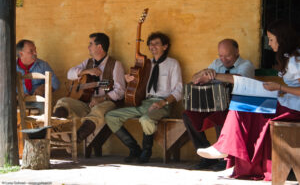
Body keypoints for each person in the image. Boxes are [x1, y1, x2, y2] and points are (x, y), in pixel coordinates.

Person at [197, 20, 300, 180]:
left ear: (282, 39)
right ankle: (228, 151)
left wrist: (279, 88)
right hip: (287, 102)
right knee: (241, 105)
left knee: (244, 107)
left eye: (272, 39)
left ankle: (226, 148)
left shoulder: (296, 60)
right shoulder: (288, 57)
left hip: (294, 108)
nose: (269, 43)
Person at [105, 32, 183, 163]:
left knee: (146, 119)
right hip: (143, 103)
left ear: (165, 46)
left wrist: (162, 103)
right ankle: (134, 149)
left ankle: (146, 151)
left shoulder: (173, 64)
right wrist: (128, 78)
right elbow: (136, 84)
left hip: (162, 104)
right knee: (111, 116)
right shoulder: (145, 64)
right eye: (150, 44)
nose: (152, 47)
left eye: (156, 43)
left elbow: (179, 90)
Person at [182, 39, 255, 171]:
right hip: (216, 104)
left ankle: (225, 158)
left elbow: (239, 79)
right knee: (188, 114)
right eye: (220, 56)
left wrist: (214, 75)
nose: (224, 59)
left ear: (237, 52)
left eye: (228, 56)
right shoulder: (216, 63)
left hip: (239, 107)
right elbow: (195, 78)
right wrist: (202, 73)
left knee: (221, 114)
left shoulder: (246, 64)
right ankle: (205, 155)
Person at [53, 33, 126, 143]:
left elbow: (120, 91)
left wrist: (101, 98)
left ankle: (74, 141)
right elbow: (70, 74)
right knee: (63, 102)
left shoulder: (116, 65)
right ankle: (55, 130)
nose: (88, 47)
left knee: (97, 111)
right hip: (86, 103)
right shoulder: (88, 62)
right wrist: (86, 71)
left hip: (106, 103)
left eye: (91, 44)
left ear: (99, 47)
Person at [16, 39, 60, 113]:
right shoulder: (11, 66)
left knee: (43, 107)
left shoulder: (43, 65)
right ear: (21, 54)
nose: (35, 53)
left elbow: (56, 83)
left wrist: (44, 87)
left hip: (37, 101)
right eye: (31, 51)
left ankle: (44, 124)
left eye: (35, 50)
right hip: (17, 101)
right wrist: (16, 95)